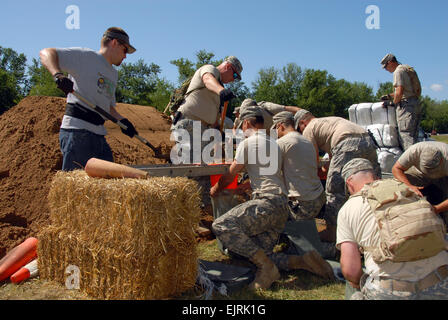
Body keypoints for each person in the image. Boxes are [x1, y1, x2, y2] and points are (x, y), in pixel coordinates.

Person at [211, 105, 334, 290]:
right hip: (282, 205)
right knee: (257, 252)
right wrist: (248, 186)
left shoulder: (249, 142)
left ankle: (266, 268)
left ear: (246, 123)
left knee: (221, 225)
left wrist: (216, 188)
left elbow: (230, 174)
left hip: (266, 203)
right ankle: (301, 261)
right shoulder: (274, 144)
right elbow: (268, 174)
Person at [337, 158, 448, 300]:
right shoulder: (409, 192)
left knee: (354, 289)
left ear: (349, 183)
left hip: (390, 291)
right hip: (440, 285)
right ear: (375, 177)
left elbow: (351, 271)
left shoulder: (348, 209)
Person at [40, 27, 138, 171]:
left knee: (108, 185)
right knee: (76, 187)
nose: (125, 56)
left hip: (99, 136)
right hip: (77, 133)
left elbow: (107, 106)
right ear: (114, 43)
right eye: (125, 50)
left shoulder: (113, 74)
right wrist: (57, 75)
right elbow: (46, 53)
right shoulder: (86, 57)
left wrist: (122, 121)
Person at [294, 109, 381, 242]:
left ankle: (332, 232)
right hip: (368, 141)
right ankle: (379, 226)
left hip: (346, 143)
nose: (300, 133)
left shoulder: (309, 128)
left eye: (299, 130)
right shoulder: (328, 120)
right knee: (373, 187)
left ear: (302, 123)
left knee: (334, 190)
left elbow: (311, 159)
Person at [171, 56, 242, 164]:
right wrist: (222, 91)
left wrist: (222, 134)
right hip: (189, 124)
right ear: (228, 66)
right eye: (235, 75)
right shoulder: (211, 69)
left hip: (202, 129)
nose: (233, 79)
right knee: (189, 167)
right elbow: (207, 79)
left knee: (202, 170)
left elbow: (213, 119)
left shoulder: (217, 88)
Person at [272, 111, 325, 220]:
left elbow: (269, 173)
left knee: (269, 215)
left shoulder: (281, 143)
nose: (276, 133)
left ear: (280, 126)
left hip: (302, 204)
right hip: (319, 196)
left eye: (275, 129)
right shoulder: (306, 140)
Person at [392, 141, 448, 226]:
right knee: (399, 184)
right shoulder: (414, 151)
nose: (431, 173)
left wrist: (437, 209)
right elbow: (396, 169)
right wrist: (410, 186)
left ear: (441, 161)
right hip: (419, 173)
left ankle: (444, 225)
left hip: (444, 176)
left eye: (433, 170)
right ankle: (404, 214)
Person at [380, 53, 422, 150]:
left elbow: (399, 92)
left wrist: (393, 103)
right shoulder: (406, 69)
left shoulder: (398, 71)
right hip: (415, 104)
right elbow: (408, 91)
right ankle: (417, 162)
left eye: (386, 66)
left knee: (406, 137)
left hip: (406, 107)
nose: (386, 69)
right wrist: (389, 96)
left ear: (390, 62)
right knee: (414, 137)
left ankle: (411, 164)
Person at [234, 99, 303, 134]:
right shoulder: (242, 118)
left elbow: (293, 109)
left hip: (278, 133)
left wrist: (306, 117)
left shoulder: (268, 107)